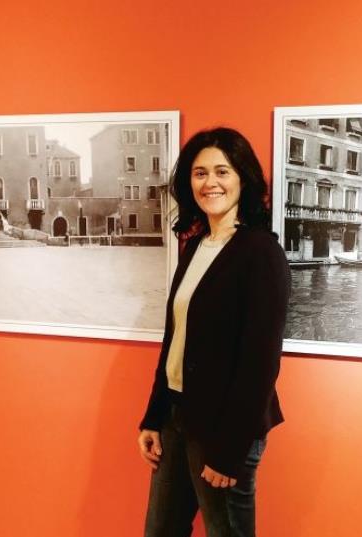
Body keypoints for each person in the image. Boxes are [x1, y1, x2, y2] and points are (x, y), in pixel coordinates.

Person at [138, 127, 290, 537]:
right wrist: (153, 416)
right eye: (200, 173)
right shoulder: (195, 247)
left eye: (222, 171)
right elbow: (175, 340)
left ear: (243, 178)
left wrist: (229, 451)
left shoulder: (261, 253)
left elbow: (260, 362)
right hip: (176, 417)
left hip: (224, 429)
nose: (210, 183)